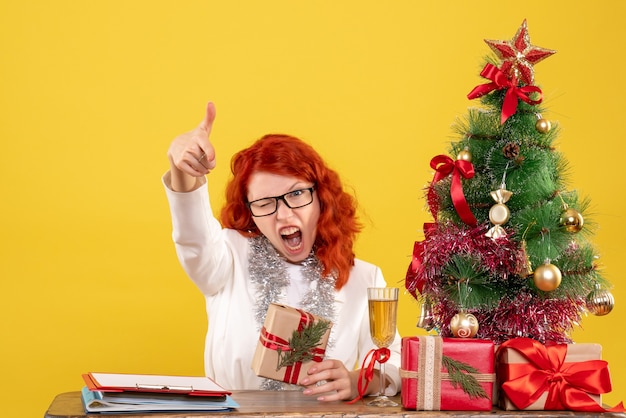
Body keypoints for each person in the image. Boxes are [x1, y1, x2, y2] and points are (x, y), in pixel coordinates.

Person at [163, 102, 401, 402]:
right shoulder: (227, 257)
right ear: (249, 211)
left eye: (297, 194)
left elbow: (393, 362)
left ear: (321, 197)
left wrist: (359, 382)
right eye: (265, 203)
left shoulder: (365, 278)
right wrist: (183, 169)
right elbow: (192, 237)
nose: (284, 216)